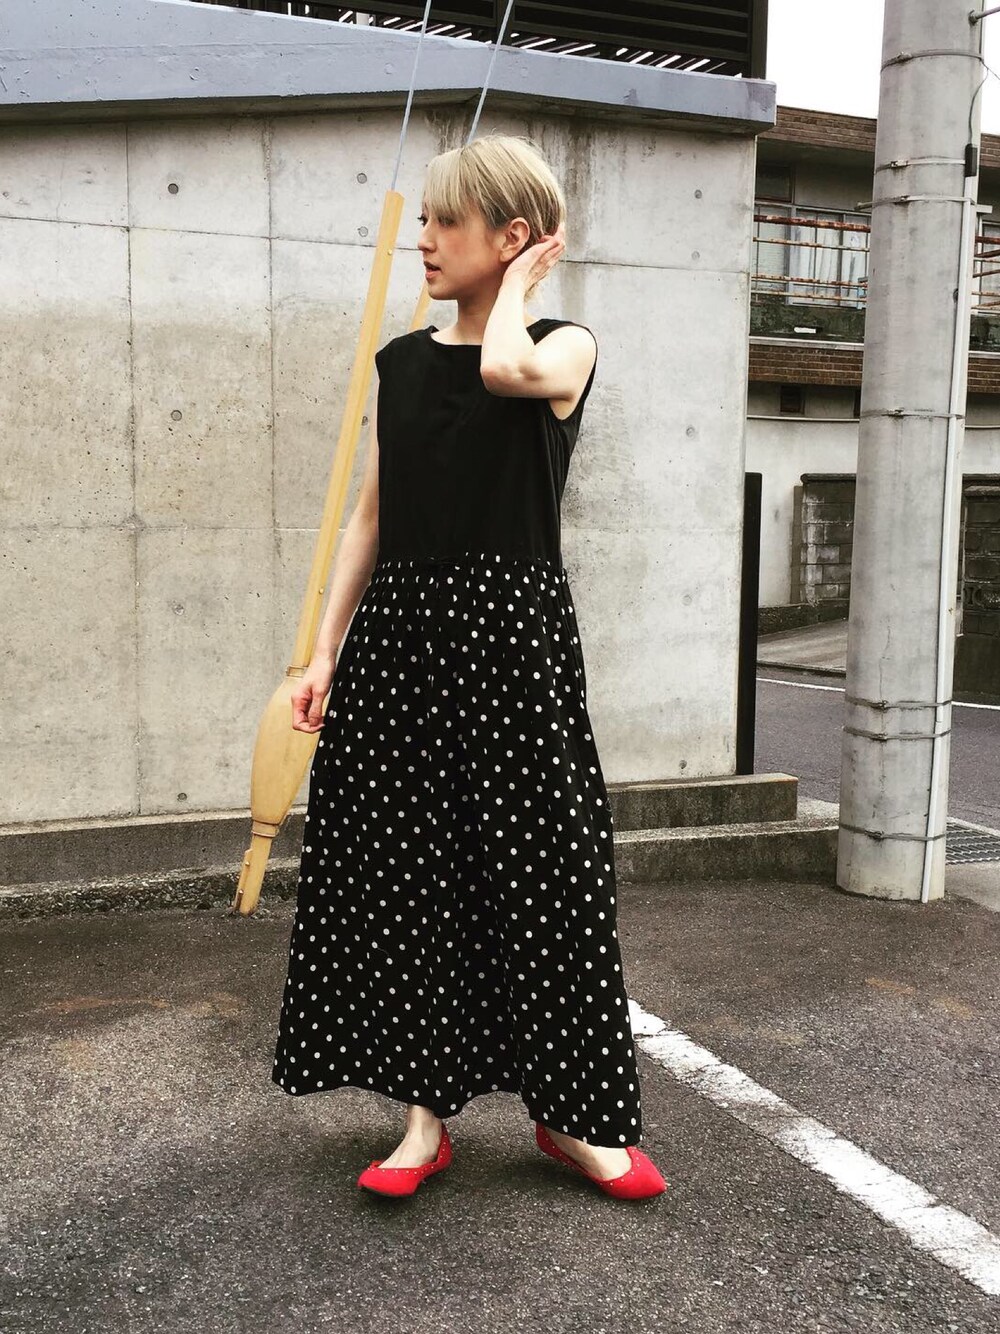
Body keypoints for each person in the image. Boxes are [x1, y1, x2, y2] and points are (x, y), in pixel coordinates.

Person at [271, 134, 666, 1202]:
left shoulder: (565, 348)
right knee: (408, 875)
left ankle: (571, 1118)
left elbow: (500, 369)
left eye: (448, 221)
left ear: (514, 236)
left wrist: (524, 287)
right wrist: (323, 653)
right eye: (425, 220)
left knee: (551, 874)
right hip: (400, 644)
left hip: (513, 646)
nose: (425, 239)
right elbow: (371, 516)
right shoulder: (401, 365)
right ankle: (421, 1121)